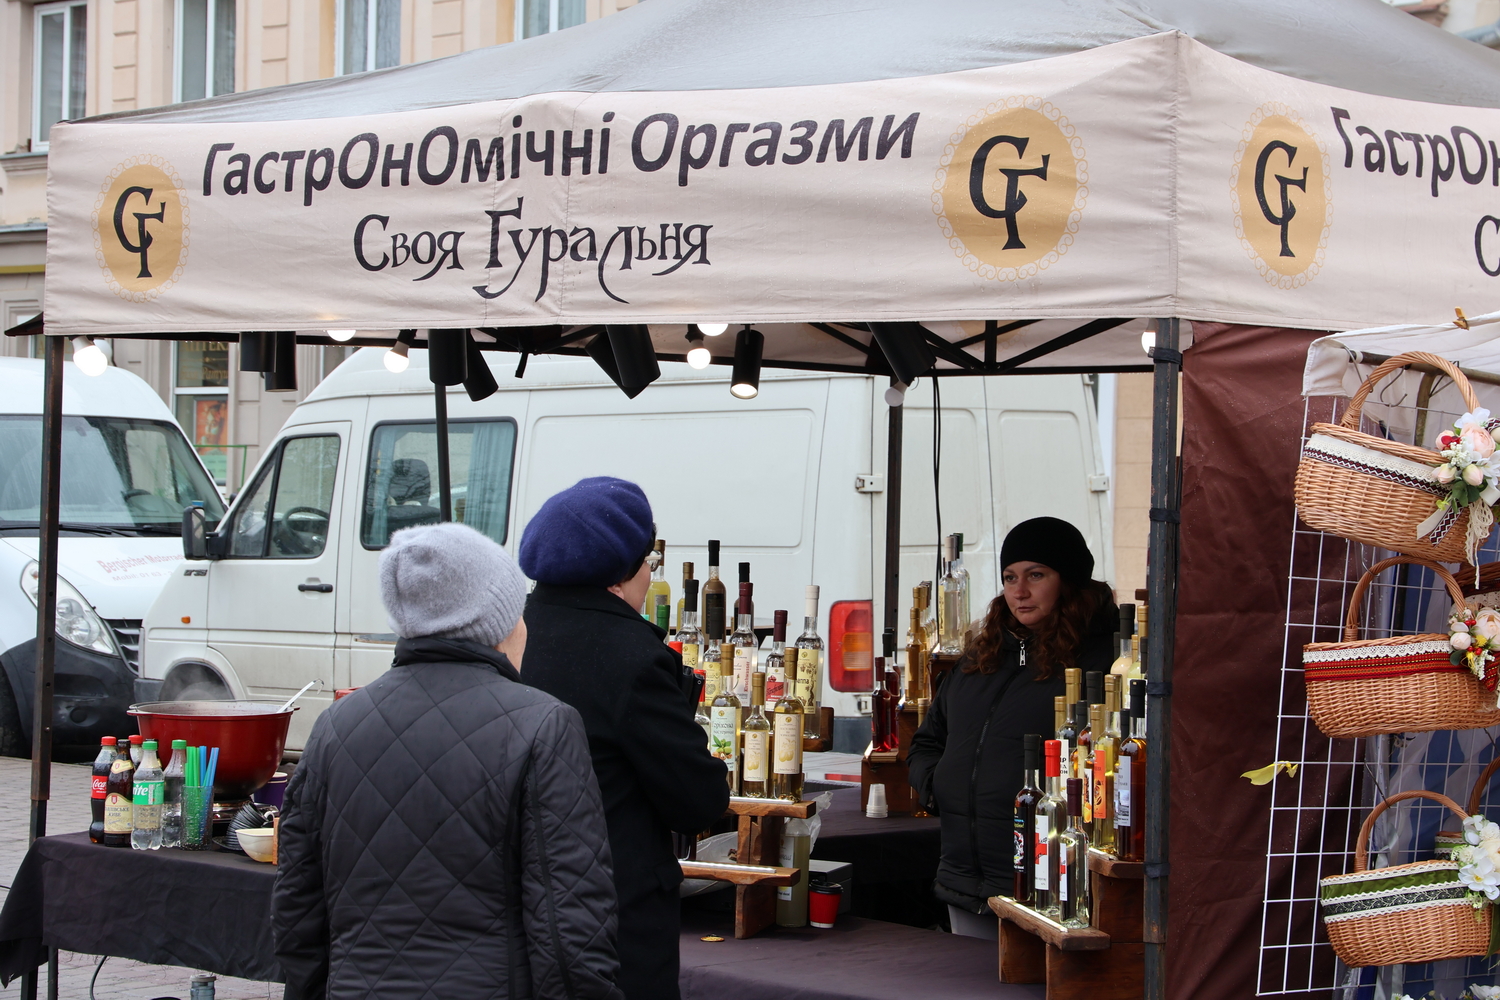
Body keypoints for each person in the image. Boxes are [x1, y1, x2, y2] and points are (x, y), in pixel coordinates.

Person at [273, 522, 623, 1000]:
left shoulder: (335, 726)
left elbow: (297, 911)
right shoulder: (544, 723)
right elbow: (570, 928)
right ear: (497, 622)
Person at [518, 477, 730, 1000]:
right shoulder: (632, 656)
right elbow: (697, 800)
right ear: (619, 575)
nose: (648, 578)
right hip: (615, 908)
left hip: (518, 900)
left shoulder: (510, 631)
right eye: (647, 565)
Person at [906, 516, 1118, 941]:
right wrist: (937, 785)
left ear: (1069, 580)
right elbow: (929, 740)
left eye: (1036, 575)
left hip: (1050, 887)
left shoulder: (1100, 662)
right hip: (964, 880)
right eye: (1009, 577)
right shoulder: (981, 656)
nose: (1019, 591)